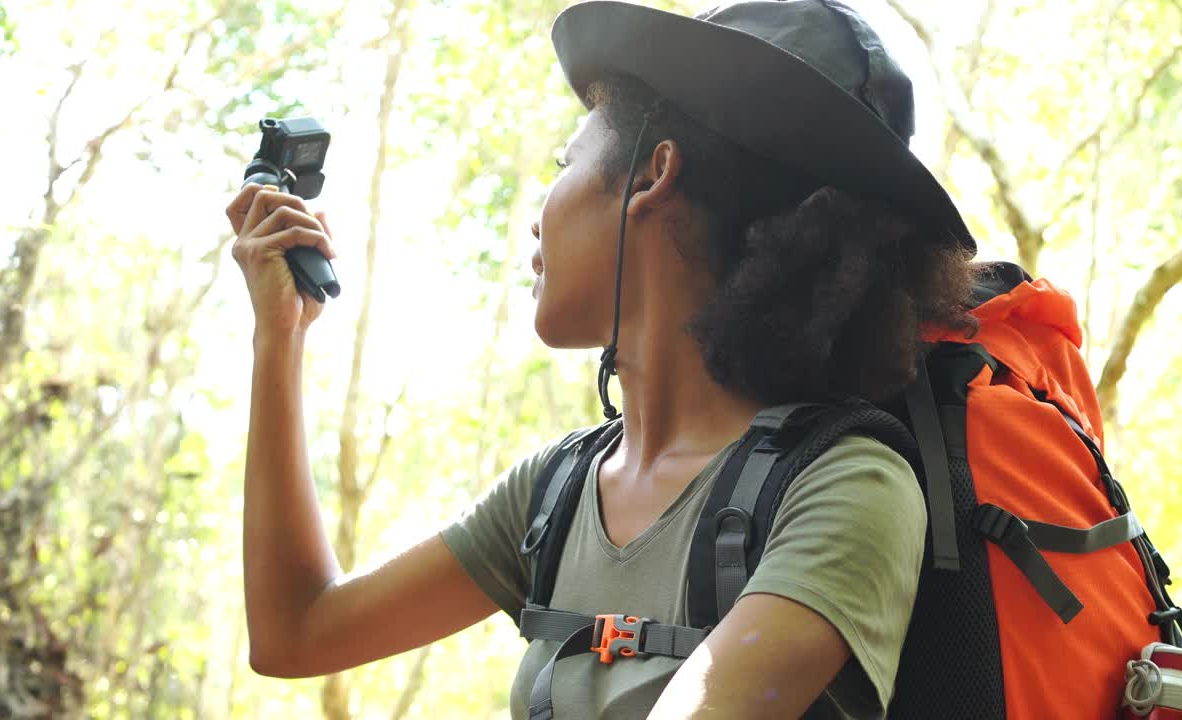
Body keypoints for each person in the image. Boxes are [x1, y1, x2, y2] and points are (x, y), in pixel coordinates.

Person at [226, 1, 977, 718]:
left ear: (654, 175)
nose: (538, 212)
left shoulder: (847, 484)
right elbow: (298, 631)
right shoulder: (558, 490)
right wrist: (278, 335)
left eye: (567, 160)